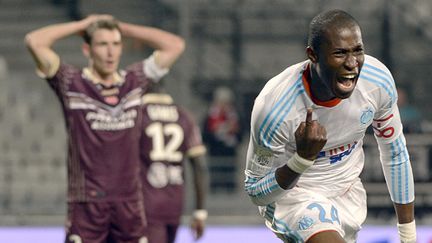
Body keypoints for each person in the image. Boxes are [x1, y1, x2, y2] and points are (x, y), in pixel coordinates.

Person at [244, 10, 416, 243]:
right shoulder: (274, 108)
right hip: (295, 197)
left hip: (348, 192)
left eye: (358, 50)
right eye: (340, 53)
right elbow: (257, 193)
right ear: (313, 55)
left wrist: (408, 235)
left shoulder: (377, 81)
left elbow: (395, 153)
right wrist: (301, 160)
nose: (352, 63)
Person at [25, 14, 185, 243]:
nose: (110, 52)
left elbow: (175, 45)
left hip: (129, 205)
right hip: (87, 204)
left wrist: (125, 27)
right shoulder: (71, 82)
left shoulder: (134, 81)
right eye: (102, 44)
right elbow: (34, 41)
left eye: (116, 44)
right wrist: (80, 25)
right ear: (87, 50)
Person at [140, 82, 208, 243]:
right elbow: (199, 166)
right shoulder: (184, 116)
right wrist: (200, 212)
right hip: (174, 203)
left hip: (145, 203)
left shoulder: (138, 115)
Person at [203, 86, 242, 192]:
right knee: (216, 171)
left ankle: (230, 189)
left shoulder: (234, 115)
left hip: (229, 150)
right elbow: (206, 133)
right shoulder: (210, 115)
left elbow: (240, 132)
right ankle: (215, 188)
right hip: (215, 149)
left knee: (229, 172)